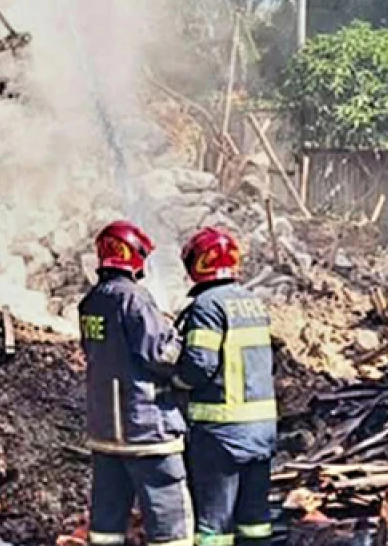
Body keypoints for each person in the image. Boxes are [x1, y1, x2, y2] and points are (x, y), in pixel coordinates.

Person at [77, 220, 193, 546]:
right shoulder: (135, 300)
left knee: (107, 522)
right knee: (168, 517)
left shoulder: (91, 302)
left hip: (105, 432)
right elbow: (162, 354)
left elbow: (92, 351)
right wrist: (183, 347)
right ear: (136, 257)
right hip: (146, 428)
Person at [172, 227, 276, 546]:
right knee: (255, 521)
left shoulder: (207, 306)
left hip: (221, 434)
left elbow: (199, 364)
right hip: (261, 431)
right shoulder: (252, 303)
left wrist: (175, 381)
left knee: (215, 526)